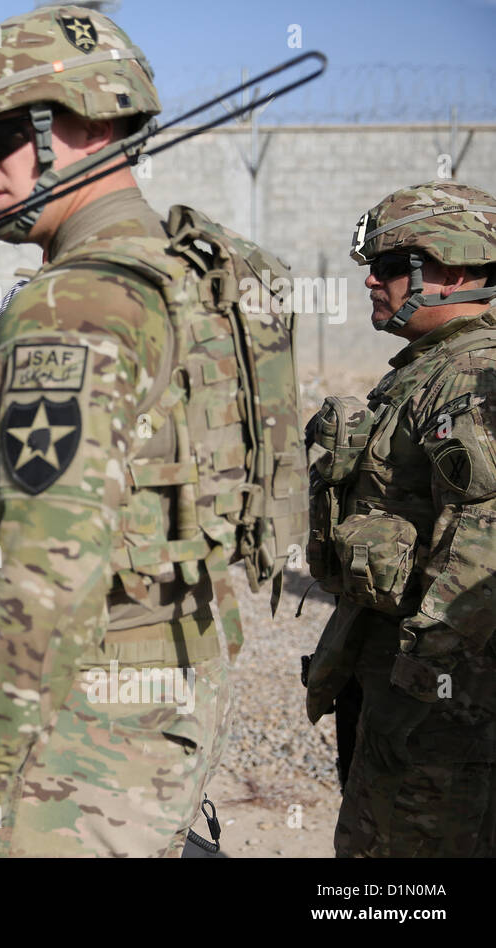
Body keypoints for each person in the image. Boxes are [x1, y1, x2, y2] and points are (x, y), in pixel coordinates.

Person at [0, 4, 303, 857]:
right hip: (178, 684)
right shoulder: (210, 274)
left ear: (77, 127)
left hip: (81, 726)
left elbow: (42, 584)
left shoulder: (73, 305)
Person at [304, 181, 496, 857]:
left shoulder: (471, 375)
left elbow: (484, 543)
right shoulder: (425, 372)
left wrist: (426, 684)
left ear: (452, 271)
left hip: (440, 697)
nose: (370, 280)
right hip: (403, 679)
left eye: (389, 266)